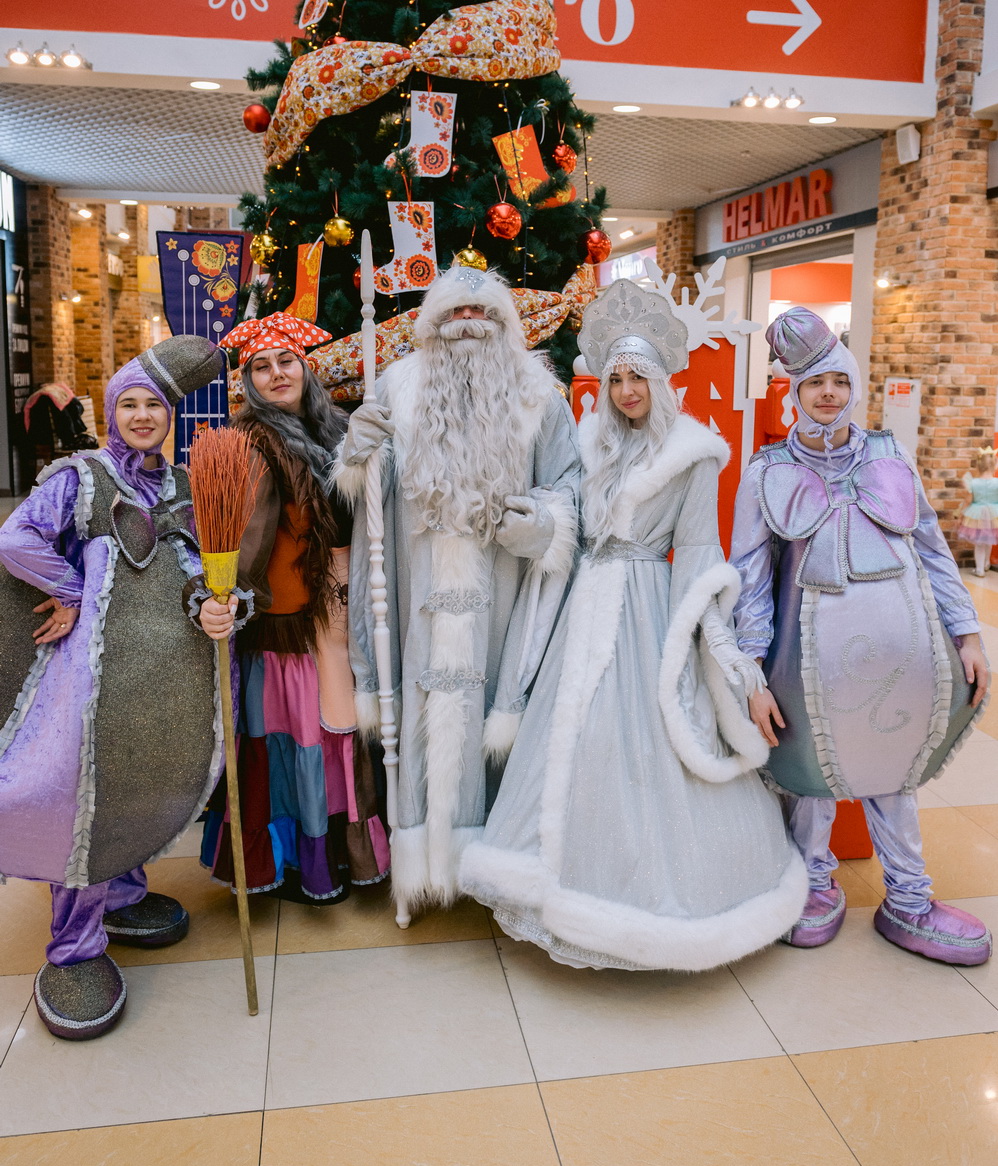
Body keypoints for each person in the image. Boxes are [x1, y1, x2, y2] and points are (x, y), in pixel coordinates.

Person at [459, 279, 808, 970]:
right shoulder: (589, 443)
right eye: (615, 378)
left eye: (637, 377)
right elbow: (567, 519)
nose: (624, 391)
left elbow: (700, 560)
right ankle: (557, 889)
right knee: (572, 741)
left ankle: (647, 908)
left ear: (659, 379)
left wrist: (728, 661)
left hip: (647, 611)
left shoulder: (693, 455)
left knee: (643, 748)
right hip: (583, 604)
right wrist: (529, 523)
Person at [731, 306, 992, 965]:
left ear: (853, 385)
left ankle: (909, 899)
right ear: (794, 391)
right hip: (807, 665)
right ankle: (812, 886)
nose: (828, 394)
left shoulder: (889, 453)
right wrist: (751, 671)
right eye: (814, 383)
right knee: (810, 778)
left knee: (894, 775)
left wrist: (967, 633)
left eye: (839, 381)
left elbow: (932, 549)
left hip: (905, 656)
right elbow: (749, 577)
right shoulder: (765, 469)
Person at [335, 264, 580, 919]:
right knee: (421, 718)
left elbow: (568, 485)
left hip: (504, 594)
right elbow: (371, 496)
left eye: (483, 314)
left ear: (504, 325)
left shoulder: (540, 396)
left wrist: (543, 525)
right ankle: (424, 869)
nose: (469, 325)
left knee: (497, 722)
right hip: (417, 592)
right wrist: (357, 453)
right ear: (432, 326)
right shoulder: (399, 386)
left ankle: (493, 869)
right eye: (455, 315)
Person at [0, 336, 225, 1038]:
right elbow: (16, 540)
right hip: (87, 686)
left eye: (153, 405)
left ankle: (122, 896)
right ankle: (73, 949)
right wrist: (70, 589)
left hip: (160, 682)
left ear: (170, 416)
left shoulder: (181, 486)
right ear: (110, 412)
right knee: (82, 799)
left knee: (138, 783)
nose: (142, 416)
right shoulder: (82, 478)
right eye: (128, 404)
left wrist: (216, 606)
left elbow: (198, 572)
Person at [194, 313, 389, 905]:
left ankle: (341, 853)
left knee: (343, 734)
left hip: (346, 611)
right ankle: (302, 863)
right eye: (261, 367)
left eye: (286, 362)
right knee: (305, 739)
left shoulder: (336, 428)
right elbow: (245, 538)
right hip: (291, 628)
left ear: (306, 368)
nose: (277, 374)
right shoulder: (254, 443)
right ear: (247, 381)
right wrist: (222, 595)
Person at [958, 444, 998, 576]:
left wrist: (961, 515)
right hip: (994, 515)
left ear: (979, 466)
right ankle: (986, 564)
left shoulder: (973, 483)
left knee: (980, 543)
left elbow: (968, 501)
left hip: (977, 515)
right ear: (994, 466)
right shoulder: (997, 483)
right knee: (989, 540)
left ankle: (980, 569)